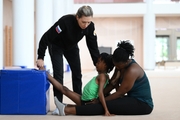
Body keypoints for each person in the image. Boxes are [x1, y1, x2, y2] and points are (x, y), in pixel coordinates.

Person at [54, 40, 154, 116]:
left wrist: (99, 101)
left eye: (118, 66)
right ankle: (64, 107)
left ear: (126, 62)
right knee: (103, 101)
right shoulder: (120, 65)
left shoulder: (132, 71)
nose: (117, 68)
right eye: (115, 66)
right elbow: (112, 84)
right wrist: (99, 97)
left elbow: (119, 93)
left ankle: (67, 110)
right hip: (131, 98)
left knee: (104, 105)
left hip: (142, 104)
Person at [36, 5, 100, 114]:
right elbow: (46, 37)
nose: (86, 25)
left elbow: (92, 46)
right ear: (77, 17)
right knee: (59, 75)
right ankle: (58, 105)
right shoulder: (65, 22)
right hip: (56, 46)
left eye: (89, 22)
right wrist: (40, 57)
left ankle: (79, 102)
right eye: (84, 22)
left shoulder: (90, 27)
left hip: (71, 47)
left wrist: (98, 64)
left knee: (77, 74)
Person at [42, 53, 114, 116]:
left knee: (64, 90)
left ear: (105, 65)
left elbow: (101, 93)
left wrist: (106, 110)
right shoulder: (103, 76)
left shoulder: (103, 77)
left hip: (88, 102)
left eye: (99, 62)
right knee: (64, 89)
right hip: (84, 99)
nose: (96, 64)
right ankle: (47, 75)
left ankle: (63, 108)